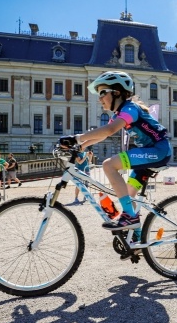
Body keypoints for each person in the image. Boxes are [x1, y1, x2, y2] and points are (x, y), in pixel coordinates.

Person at [60, 71, 171, 231]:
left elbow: (110, 130)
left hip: (158, 150)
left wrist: (76, 138)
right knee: (128, 196)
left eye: (102, 93)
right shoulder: (120, 113)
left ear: (117, 92)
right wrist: (81, 146)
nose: (99, 99)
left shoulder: (131, 109)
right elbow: (102, 136)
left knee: (109, 165)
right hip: (149, 152)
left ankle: (129, 218)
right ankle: (136, 239)